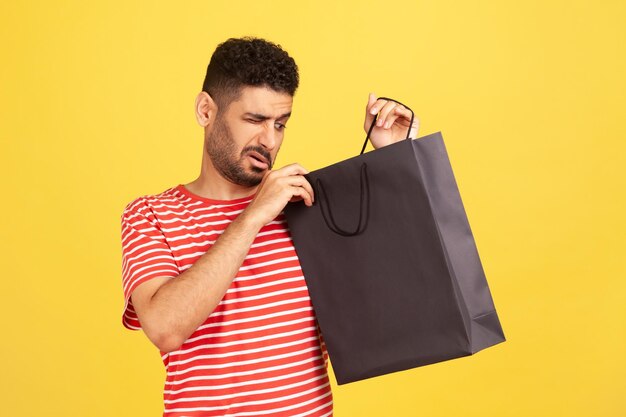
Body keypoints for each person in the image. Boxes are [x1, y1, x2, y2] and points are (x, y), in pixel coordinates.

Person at [120, 37, 419, 417]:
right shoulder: (150, 215)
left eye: (280, 123)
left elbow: (397, 294)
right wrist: (253, 216)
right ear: (205, 110)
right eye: (255, 120)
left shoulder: (305, 205)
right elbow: (165, 328)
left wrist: (396, 158)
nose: (270, 140)